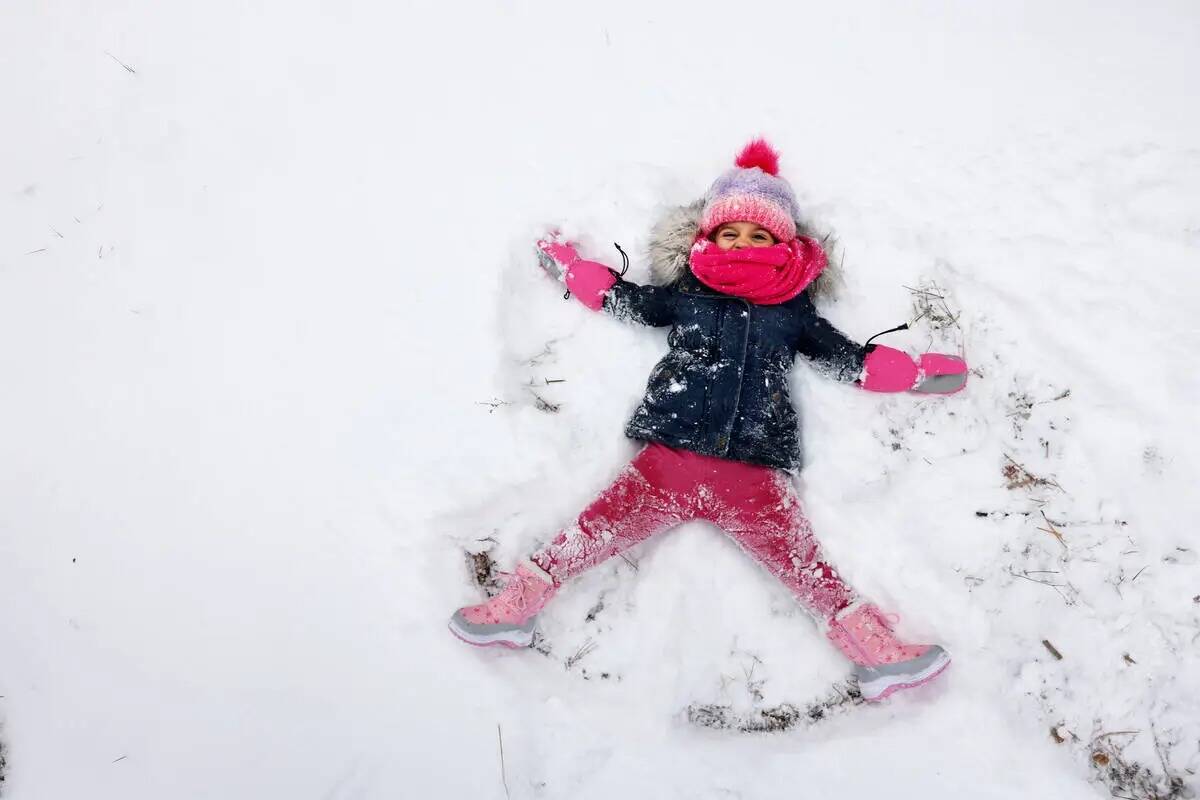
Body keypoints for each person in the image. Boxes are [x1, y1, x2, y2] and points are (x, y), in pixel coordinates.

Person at [449, 140, 967, 701]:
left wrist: (914, 374)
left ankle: (877, 655)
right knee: (589, 532)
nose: (743, 243)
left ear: (784, 243)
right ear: (708, 237)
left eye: (759, 234)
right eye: (731, 233)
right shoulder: (688, 295)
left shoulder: (792, 312)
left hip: (753, 470)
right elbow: (625, 300)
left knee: (806, 569)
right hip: (668, 458)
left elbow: (846, 359)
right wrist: (572, 267)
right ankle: (515, 609)